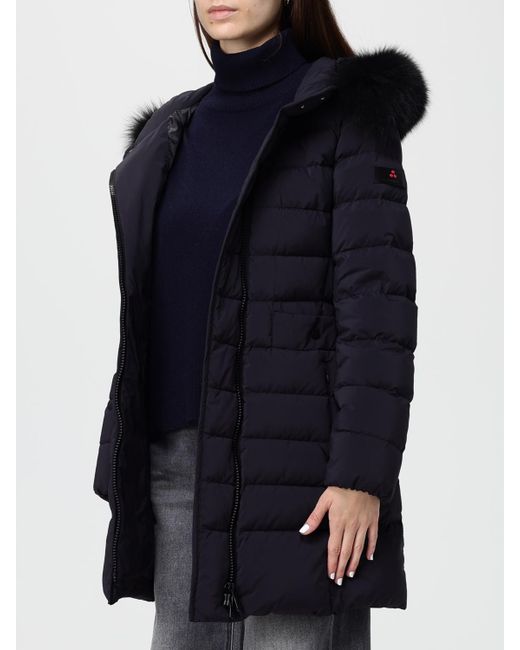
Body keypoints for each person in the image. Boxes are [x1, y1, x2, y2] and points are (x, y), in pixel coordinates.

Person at [93, 1, 428, 648]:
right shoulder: (171, 132)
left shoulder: (343, 118)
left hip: (300, 475)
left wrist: (360, 476)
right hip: (177, 471)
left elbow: (378, 311)